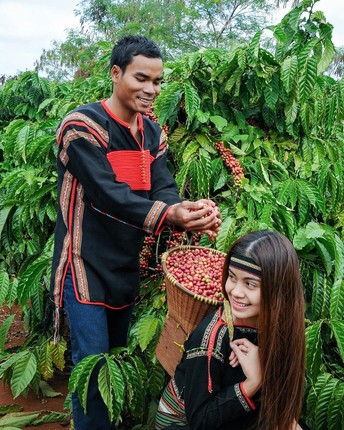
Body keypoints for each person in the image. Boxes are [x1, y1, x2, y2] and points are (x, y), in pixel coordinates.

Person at [49, 35, 221, 430]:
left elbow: (162, 187)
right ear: (115, 73)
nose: (151, 90)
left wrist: (187, 209)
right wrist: (171, 214)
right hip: (83, 265)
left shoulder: (152, 133)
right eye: (142, 78)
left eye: (158, 82)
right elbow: (108, 195)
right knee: (92, 368)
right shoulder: (82, 128)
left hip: (124, 266)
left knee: (115, 360)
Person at [155, 230, 306, 430]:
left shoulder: (281, 325)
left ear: (277, 291)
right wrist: (254, 381)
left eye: (250, 284)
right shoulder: (211, 338)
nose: (235, 291)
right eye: (232, 277)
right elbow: (199, 421)